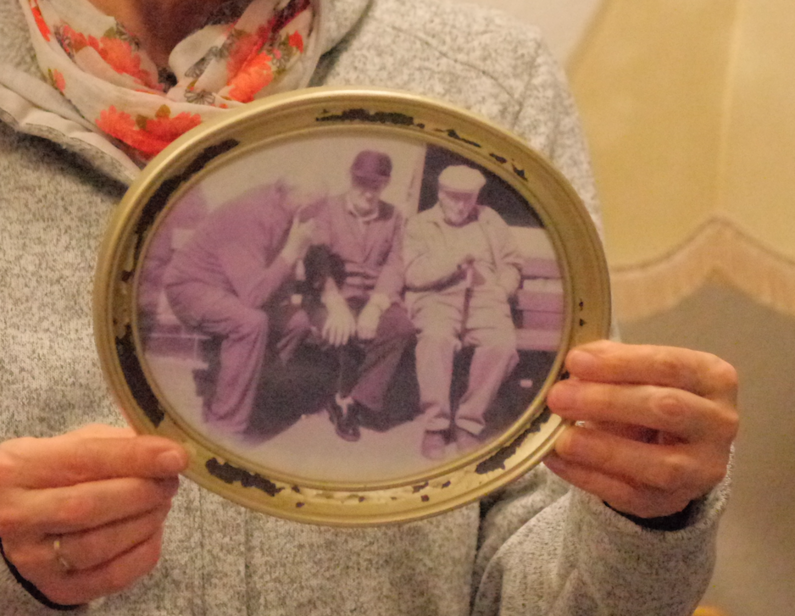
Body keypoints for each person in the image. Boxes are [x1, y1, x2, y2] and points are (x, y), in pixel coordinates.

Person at [0, 0, 738, 614]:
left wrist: (646, 517)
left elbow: (539, 567)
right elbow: (299, 267)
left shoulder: (484, 80)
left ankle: (350, 397)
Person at [162, 179, 322, 435]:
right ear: (299, 193)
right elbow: (255, 297)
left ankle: (249, 395)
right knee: (250, 323)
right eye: (316, 202)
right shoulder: (250, 214)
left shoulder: (287, 211)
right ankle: (225, 427)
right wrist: (293, 250)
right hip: (192, 287)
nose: (317, 214)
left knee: (297, 322)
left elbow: (269, 281)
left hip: (234, 290)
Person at [405, 165, 523, 459]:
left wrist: (502, 288)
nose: (460, 205)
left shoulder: (489, 220)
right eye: (454, 197)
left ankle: (468, 424)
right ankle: (435, 426)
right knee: (436, 339)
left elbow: (512, 262)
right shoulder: (421, 224)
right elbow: (414, 274)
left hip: (485, 298)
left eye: (467, 198)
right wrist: (454, 261)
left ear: (476, 197)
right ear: (440, 194)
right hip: (436, 296)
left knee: (502, 345)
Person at [304, 149, 415, 441]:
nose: (368, 192)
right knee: (336, 327)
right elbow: (318, 258)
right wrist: (334, 301)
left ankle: (354, 401)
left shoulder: (394, 217)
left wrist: (377, 306)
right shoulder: (328, 209)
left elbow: (395, 264)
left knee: (399, 326)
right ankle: (334, 394)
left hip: (373, 296)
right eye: (362, 184)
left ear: (386, 184)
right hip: (335, 294)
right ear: (351, 179)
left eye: (376, 186)